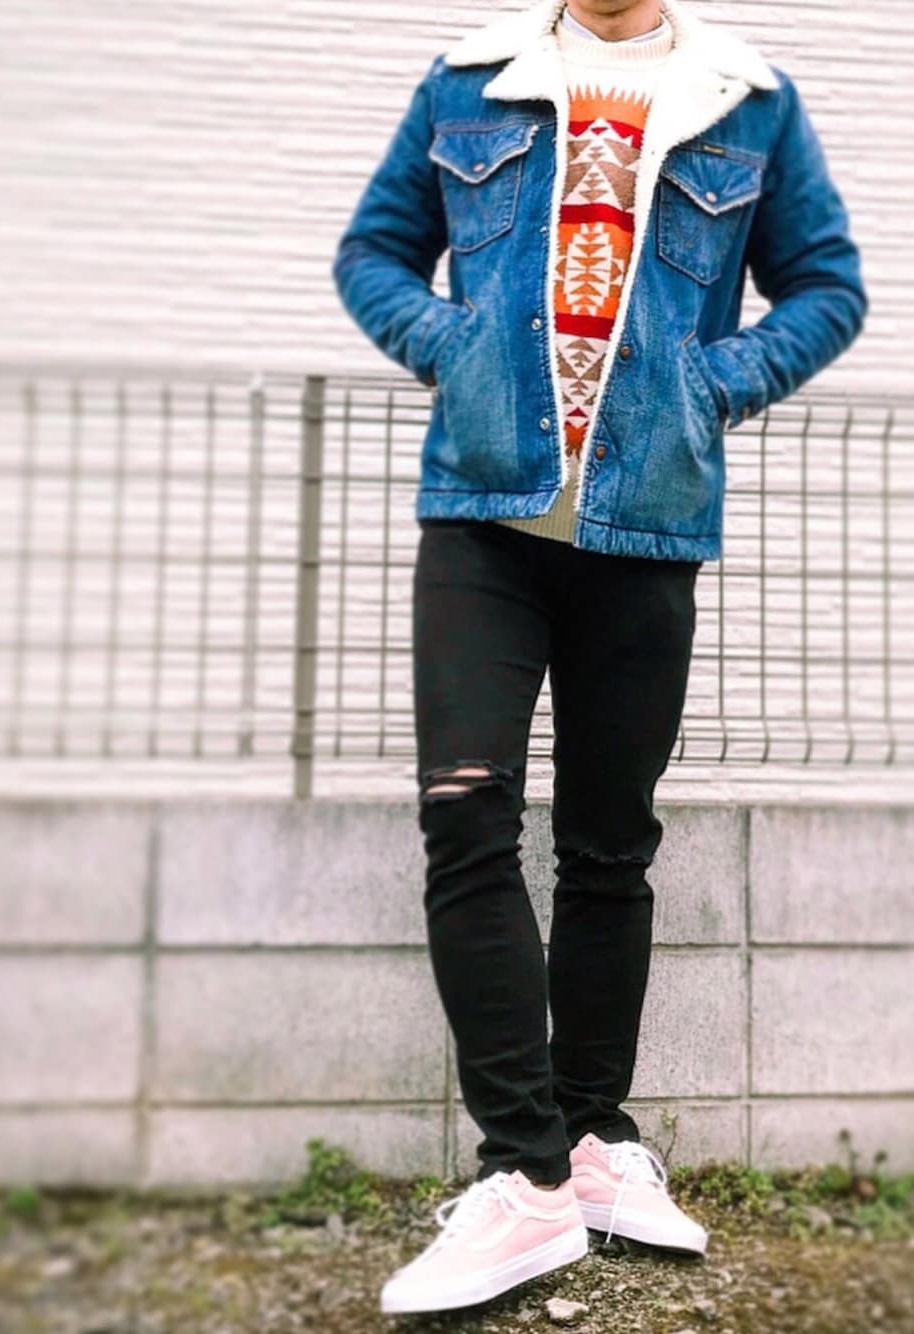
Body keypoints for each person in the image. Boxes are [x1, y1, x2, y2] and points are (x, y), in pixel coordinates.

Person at [332, 0, 866, 1315]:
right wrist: (455, 346)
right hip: (483, 516)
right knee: (466, 816)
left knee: (609, 842)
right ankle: (523, 1174)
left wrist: (711, 382)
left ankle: (589, 1138)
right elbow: (375, 253)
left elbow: (828, 288)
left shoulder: (746, 100)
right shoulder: (472, 83)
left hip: (647, 525)